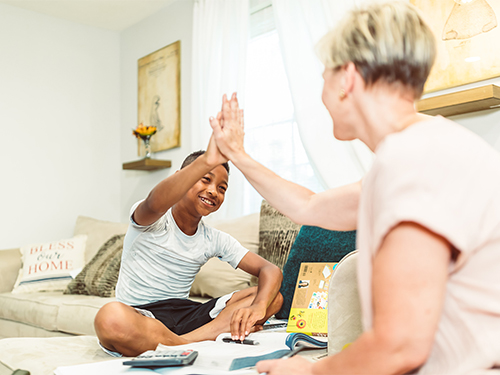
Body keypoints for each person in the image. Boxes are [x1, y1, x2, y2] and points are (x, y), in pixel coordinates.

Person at [209, 2, 500, 374]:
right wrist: (237, 153)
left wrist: (311, 371)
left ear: (347, 78)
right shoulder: (421, 151)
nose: (321, 94)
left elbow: (400, 345)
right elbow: (309, 206)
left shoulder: (413, 161)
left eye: (323, 77)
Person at [94, 140, 283, 357]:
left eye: (222, 188)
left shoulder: (214, 238)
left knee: (273, 297)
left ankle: (178, 344)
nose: (213, 191)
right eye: (205, 179)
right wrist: (205, 161)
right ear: (179, 178)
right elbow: (155, 203)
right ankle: (196, 341)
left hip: (185, 315)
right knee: (109, 318)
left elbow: (270, 270)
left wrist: (258, 306)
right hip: (141, 315)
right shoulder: (152, 219)